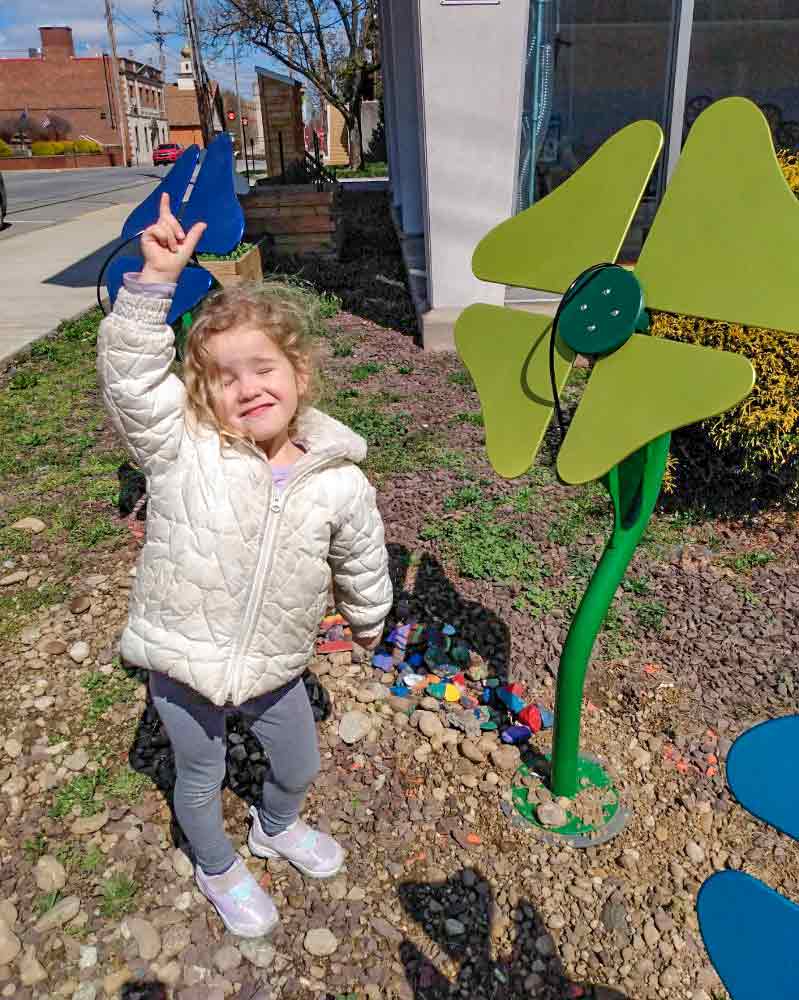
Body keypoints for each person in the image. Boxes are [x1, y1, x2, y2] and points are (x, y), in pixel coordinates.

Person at [97, 194, 392, 937]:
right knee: (199, 777)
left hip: (274, 662)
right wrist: (152, 284)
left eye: (263, 368)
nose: (248, 387)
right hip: (183, 660)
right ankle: (216, 864)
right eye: (225, 378)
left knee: (297, 763)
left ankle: (275, 825)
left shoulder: (338, 478)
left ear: (299, 374)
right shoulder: (183, 450)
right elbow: (134, 383)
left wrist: (369, 617)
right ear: (204, 395)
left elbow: (361, 554)